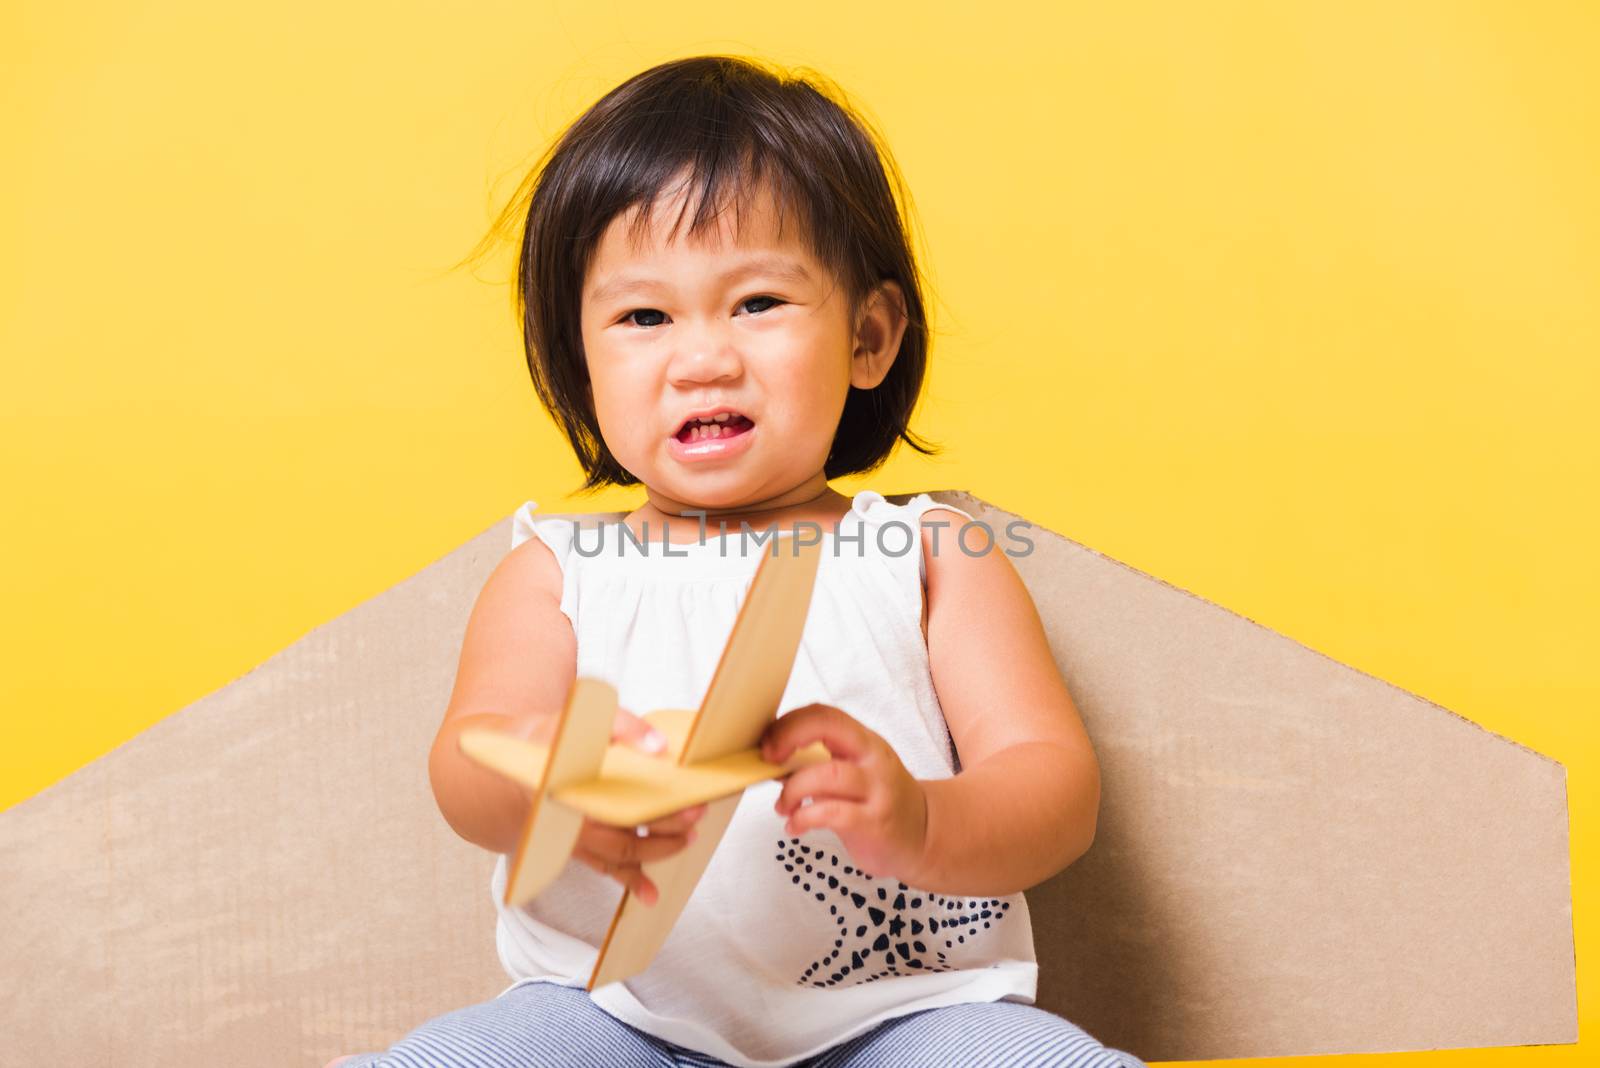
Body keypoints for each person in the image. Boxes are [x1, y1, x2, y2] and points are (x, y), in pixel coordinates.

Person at [328, 54, 1146, 1068]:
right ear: (577, 361)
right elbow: (463, 767)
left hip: (907, 1020)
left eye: (757, 302)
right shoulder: (557, 568)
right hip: (609, 1016)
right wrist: (543, 784)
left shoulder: (929, 553)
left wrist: (920, 818)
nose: (703, 357)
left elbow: (1054, 790)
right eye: (642, 317)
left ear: (869, 336)